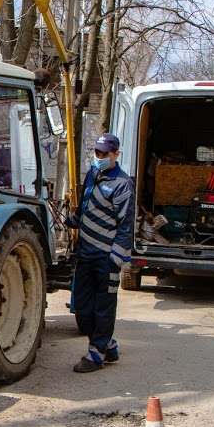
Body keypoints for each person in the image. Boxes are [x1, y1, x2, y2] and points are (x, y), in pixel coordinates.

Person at [67, 133, 134, 373]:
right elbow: (86, 205)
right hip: (85, 254)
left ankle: (96, 355)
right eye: (97, 153)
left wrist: (117, 258)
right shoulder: (92, 174)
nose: (100, 157)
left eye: (105, 154)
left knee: (103, 306)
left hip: (106, 257)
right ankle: (109, 345)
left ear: (115, 154)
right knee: (83, 309)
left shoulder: (123, 184)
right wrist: (73, 220)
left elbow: (126, 225)